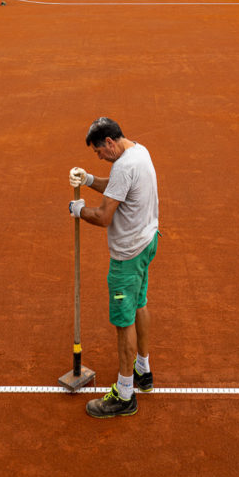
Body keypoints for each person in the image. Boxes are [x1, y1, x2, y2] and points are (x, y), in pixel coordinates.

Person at [68, 117, 159, 419]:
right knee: (140, 305)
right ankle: (143, 371)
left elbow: (105, 215)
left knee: (124, 323)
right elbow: (118, 189)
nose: (99, 157)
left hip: (127, 256)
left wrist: (79, 210)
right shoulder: (139, 151)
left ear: (109, 142)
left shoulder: (123, 166)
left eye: (98, 152)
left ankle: (124, 394)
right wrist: (91, 180)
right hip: (147, 243)